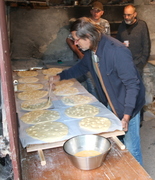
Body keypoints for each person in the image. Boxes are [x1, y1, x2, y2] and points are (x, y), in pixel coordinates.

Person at [50, 17, 145, 165]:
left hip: (128, 105)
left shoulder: (117, 51)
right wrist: (60, 76)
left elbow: (132, 85)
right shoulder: (91, 49)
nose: (75, 43)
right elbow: (81, 67)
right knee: (114, 141)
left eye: (76, 40)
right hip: (112, 101)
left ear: (88, 37)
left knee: (132, 146)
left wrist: (126, 116)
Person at [66, 1, 110, 100]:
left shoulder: (105, 23)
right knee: (91, 84)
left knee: (101, 86)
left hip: (99, 60)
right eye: (94, 10)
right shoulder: (84, 23)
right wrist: (79, 53)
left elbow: (107, 40)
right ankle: (94, 105)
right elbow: (69, 39)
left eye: (98, 11)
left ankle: (102, 105)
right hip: (87, 59)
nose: (96, 13)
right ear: (91, 11)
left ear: (102, 12)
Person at [116, 5, 151, 75]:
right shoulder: (121, 26)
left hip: (137, 63)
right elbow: (117, 42)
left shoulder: (142, 25)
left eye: (129, 15)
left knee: (136, 84)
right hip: (124, 62)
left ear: (135, 14)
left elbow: (146, 44)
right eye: (124, 15)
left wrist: (142, 61)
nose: (126, 17)